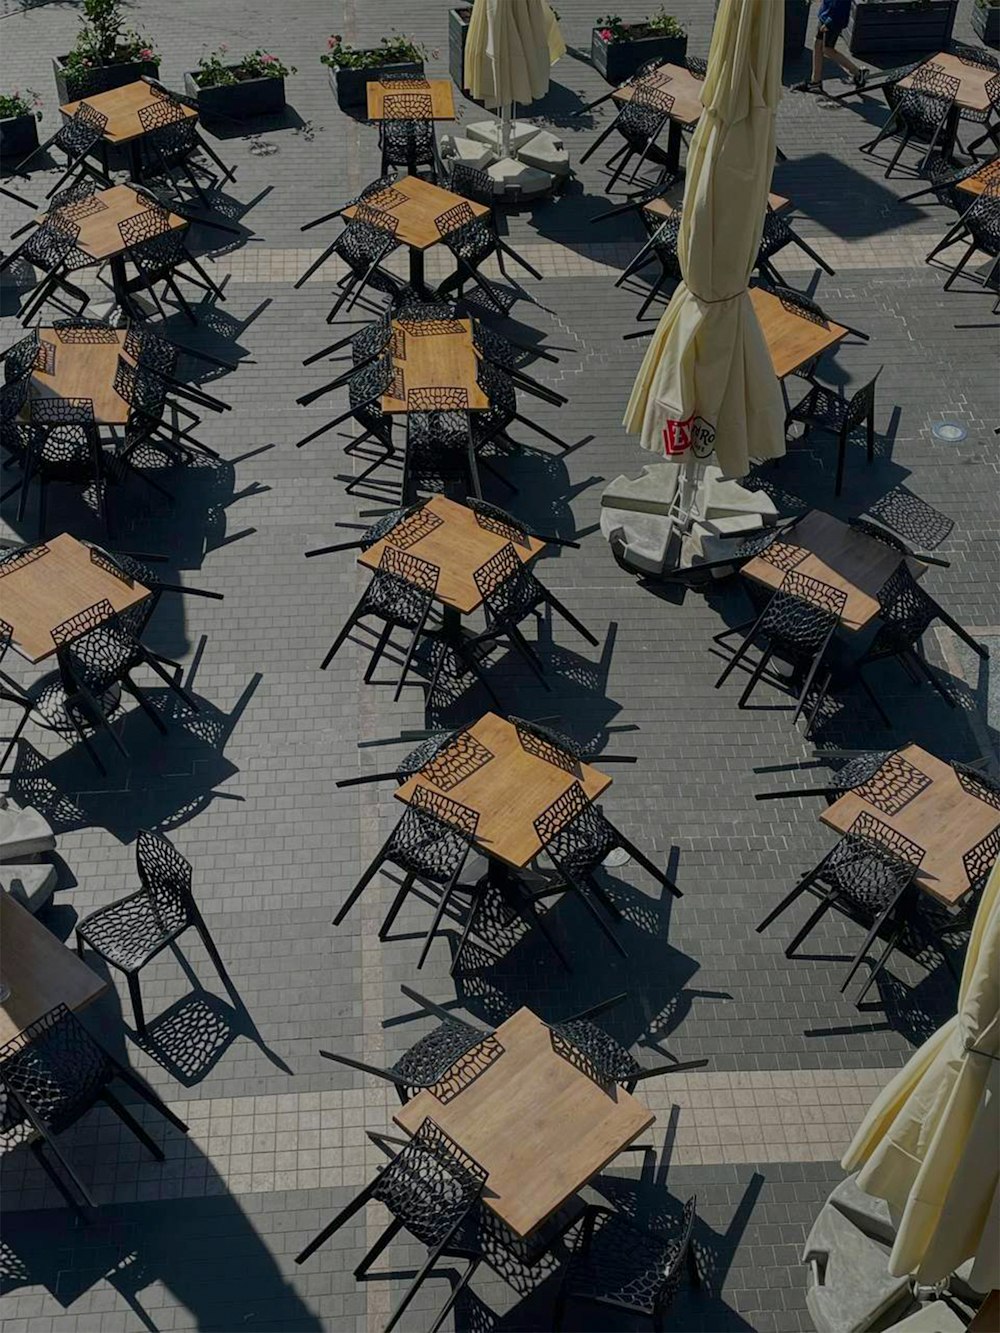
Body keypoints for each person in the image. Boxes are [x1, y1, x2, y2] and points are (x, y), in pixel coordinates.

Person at [792, 0, 868, 94]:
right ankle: (815, 81)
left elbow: (840, 6)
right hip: (825, 14)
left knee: (828, 49)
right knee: (817, 43)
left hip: (833, 19)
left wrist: (829, 22)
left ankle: (858, 73)